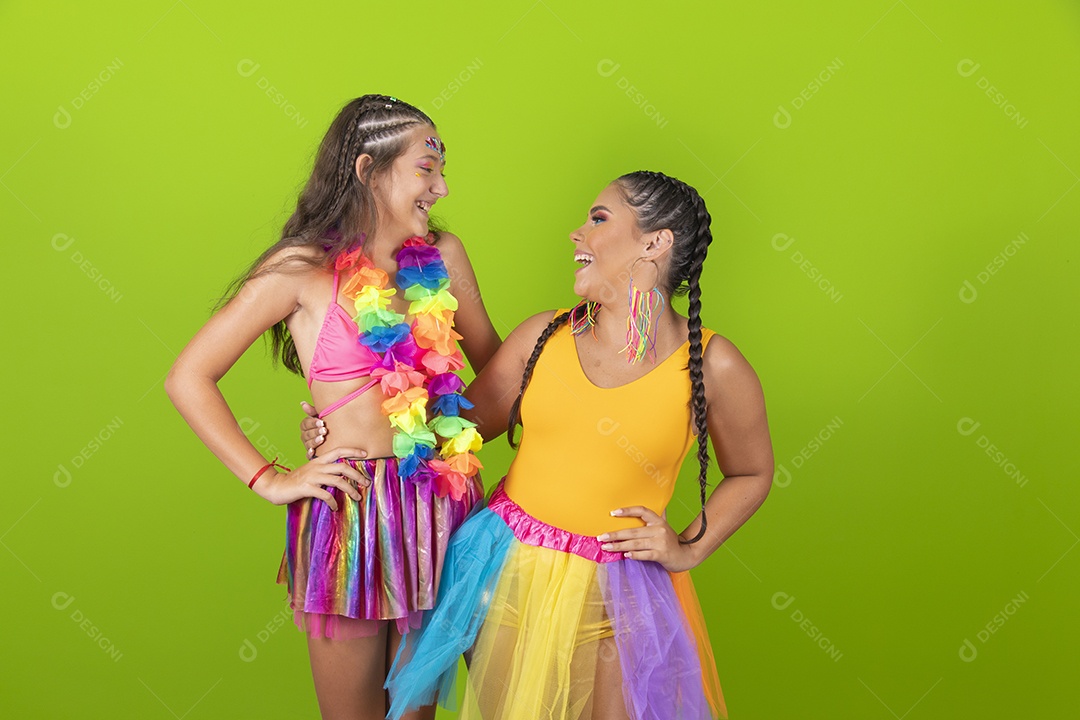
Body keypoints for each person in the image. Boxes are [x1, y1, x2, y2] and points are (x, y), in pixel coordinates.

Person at [303, 170, 773, 719]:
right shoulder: (542, 338)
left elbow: (752, 472)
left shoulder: (713, 365)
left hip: (620, 588)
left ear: (655, 242)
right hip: (504, 570)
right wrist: (340, 423)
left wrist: (689, 548)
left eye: (598, 218)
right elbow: (445, 429)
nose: (577, 232)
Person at [165, 94, 500, 720]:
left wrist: (597, 334)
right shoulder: (301, 269)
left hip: (439, 503)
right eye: (427, 169)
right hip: (351, 511)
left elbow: (499, 378)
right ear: (369, 170)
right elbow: (189, 377)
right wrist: (269, 479)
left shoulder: (443, 257)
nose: (442, 187)